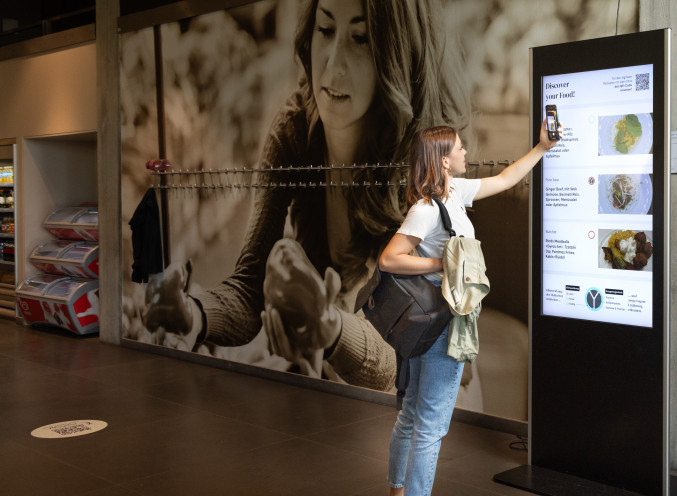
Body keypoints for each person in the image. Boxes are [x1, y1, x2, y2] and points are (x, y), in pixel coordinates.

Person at [141, 0, 470, 390]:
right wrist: (190, 312)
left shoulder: (426, 164)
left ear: (396, 53)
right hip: (343, 381)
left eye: (360, 39)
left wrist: (327, 328)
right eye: (325, 30)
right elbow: (250, 287)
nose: (333, 65)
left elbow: (403, 352)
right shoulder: (294, 132)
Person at [379, 121, 561, 496]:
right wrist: (441, 264)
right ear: (444, 159)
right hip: (439, 326)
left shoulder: (453, 194)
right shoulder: (426, 208)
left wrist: (542, 147)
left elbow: (504, 178)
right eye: (460, 149)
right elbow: (390, 258)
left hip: (427, 326)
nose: (465, 153)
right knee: (429, 424)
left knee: (410, 417)